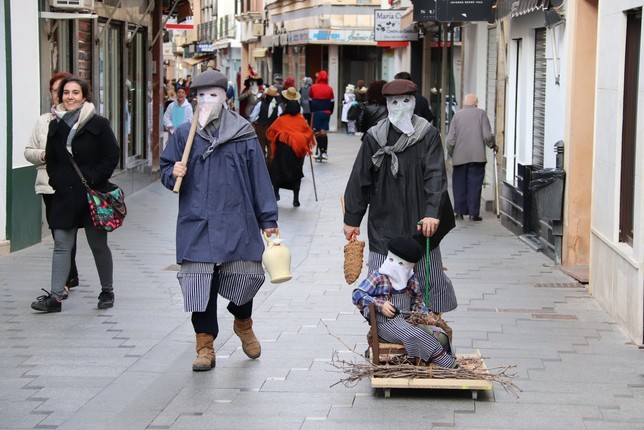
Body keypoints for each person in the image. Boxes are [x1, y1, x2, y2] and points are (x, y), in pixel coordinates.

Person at [160, 70, 279, 372]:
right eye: (201, 96)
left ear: (225, 97)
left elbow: (259, 178)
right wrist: (171, 173)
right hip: (196, 221)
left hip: (237, 218)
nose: (207, 101)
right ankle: (205, 345)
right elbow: (166, 168)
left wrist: (268, 218)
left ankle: (243, 322)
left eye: (213, 95)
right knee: (199, 283)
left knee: (247, 275)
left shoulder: (243, 133)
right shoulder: (184, 134)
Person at [343, 78, 458, 315]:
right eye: (395, 102)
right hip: (384, 218)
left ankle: (432, 327)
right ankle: (382, 334)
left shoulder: (428, 134)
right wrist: (351, 219)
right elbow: (360, 179)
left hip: (420, 220)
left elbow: (436, 175)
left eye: (406, 101)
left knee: (430, 278)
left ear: (414, 102)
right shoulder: (374, 137)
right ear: (387, 104)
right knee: (381, 279)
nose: (401, 107)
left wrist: (431, 213)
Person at [31, 76, 120, 313]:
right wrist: (58, 181)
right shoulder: (55, 125)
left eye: (75, 93)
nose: (70, 97)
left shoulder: (98, 124)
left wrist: (93, 179)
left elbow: (112, 155)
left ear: (84, 97)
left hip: (92, 194)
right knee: (61, 245)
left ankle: (107, 290)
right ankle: (55, 297)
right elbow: (52, 159)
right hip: (64, 195)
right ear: (60, 96)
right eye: (66, 93)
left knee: (98, 245)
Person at [352, 236, 456, 368]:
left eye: (401, 264)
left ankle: (437, 364)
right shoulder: (378, 277)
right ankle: (449, 365)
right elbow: (357, 294)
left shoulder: (411, 279)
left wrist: (425, 315)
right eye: (391, 260)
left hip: (407, 321)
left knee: (440, 335)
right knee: (417, 334)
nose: (394, 266)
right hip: (385, 325)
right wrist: (380, 304)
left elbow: (417, 304)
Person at [25, 71, 80, 301]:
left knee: (65, 234)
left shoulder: (81, 120)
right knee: (59, 233)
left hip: (72, 187)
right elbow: (28, 151)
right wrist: (44, 155)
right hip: (48, 186)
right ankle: (70, 275)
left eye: (65, 90)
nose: (61, 94)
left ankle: (64, 282)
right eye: (57, 90)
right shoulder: (43, 121)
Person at [445, 93, 497, 221]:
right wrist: (492, 145)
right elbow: (487, 135)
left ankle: (459, 212)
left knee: (459, 184)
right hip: (477, 156)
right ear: (476, 103)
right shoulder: (481, 114)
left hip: (460, 157)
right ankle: (474, 214)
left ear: (463, 103)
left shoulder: (457, 116)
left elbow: (450, 139)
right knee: (475, 185)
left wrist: (452, 153)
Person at [267, 88, 313, 207]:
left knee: (277, 171)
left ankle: (276, 193)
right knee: (296, 173)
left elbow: (271, 131)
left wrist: (281, 136)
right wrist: (302, 140)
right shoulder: (302, 120)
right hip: (297, 152)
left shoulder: (281, 119)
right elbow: (309, 133)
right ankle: (296, 199)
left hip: (283, 150)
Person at [249, 86, 281, 165]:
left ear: (266, 95)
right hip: (273, 129)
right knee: (271, 149)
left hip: (261, 128)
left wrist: (253, 122)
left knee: (261, 148)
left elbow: (253, 116)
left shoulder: (260, 104)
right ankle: (270, 167)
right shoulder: (278, 107)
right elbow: (279, 119)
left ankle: (262, 167)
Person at [308, 70, 335, 161]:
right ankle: (324, 152)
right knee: (323, 132)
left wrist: (312, 111)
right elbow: (332, 102)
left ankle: (320, 151)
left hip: (316, 112)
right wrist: (330, 112)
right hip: (326, 112)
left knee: (317, 132)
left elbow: (310, 101)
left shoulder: (313, 87)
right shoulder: (329, 88)